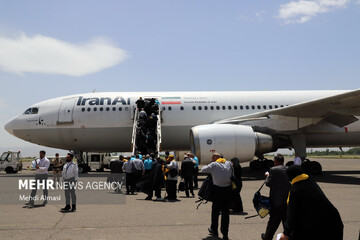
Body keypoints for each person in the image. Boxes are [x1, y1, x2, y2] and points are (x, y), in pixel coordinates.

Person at [279, 165, 343, 240]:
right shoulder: (310, 181)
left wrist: (286, 233)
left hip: (316, 227)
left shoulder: (295, 190)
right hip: (333, 223)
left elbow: (292, 214)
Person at [201, 153, 232, 240]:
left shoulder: (214, 164)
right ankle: (225, 234)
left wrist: (211, 164)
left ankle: (214, 230)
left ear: (214, 158)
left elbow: (203, 170)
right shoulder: (228, 163)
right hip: (227, 190)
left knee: (215, 212)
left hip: (218, 190)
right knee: (225, 213)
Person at [261, 154, 291, 240]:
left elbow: (268, 183)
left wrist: (267, 176)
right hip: (287, 202)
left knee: (273, 223)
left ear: (276, 161)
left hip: (276, 201)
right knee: (286, 223)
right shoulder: (289, 169)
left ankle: (267, 237)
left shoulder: (273, 170)